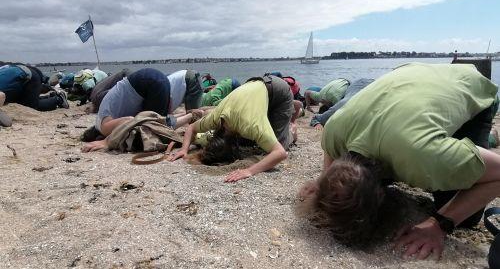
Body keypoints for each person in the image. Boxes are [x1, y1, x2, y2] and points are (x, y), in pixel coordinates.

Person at [297, 63, 500, 260]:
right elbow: (329, 152)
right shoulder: (332, 131)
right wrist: (324, 179)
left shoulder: (425, 159)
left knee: (466, 218)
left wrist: (439, 223)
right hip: (412, 75)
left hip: (472, 87)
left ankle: (491, 137)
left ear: (381, 197)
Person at [169, 75, 299, 182]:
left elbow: (280, 153)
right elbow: (191, 128)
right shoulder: (216, 118)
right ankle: (280, 114)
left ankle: (293, 128)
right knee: (255, 139)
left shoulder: (251, 125)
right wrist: (184, 149)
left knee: (279, 144)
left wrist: (249, 171)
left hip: (279, 90)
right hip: (252, 85)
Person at [0, 64, 69, 126]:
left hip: (28, 77)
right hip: (19, 71)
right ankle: (50, 96)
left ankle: (58, 99)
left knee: (31, 106)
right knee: (20, 100)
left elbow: (2, 95)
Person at [310, 78, 374, 130]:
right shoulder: (342, 105)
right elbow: (316, 118)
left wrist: (317, 123)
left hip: (356, 85)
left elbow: (316, 118)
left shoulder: (342, 104)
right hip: (357, 85)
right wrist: (317, 123)